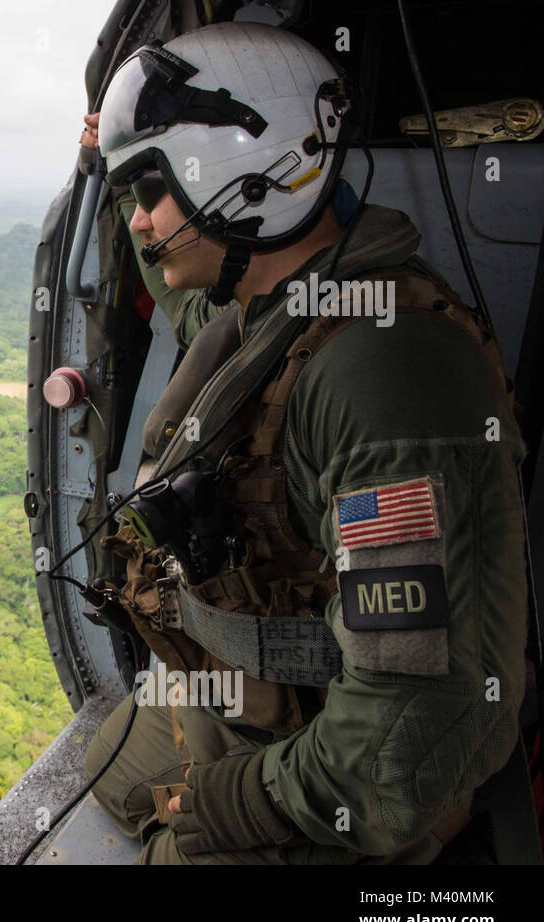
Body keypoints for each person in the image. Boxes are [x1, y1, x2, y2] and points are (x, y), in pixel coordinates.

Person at [76, 21, 528, 864]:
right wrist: (111, 176)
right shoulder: (273, 309)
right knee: (108, 769)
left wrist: (233, 803)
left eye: (148, 192)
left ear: (242, 179)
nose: (138, 222)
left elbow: (415, 731)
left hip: (369, 774)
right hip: (278, 697)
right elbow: (187, 308)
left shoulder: (387, 377)